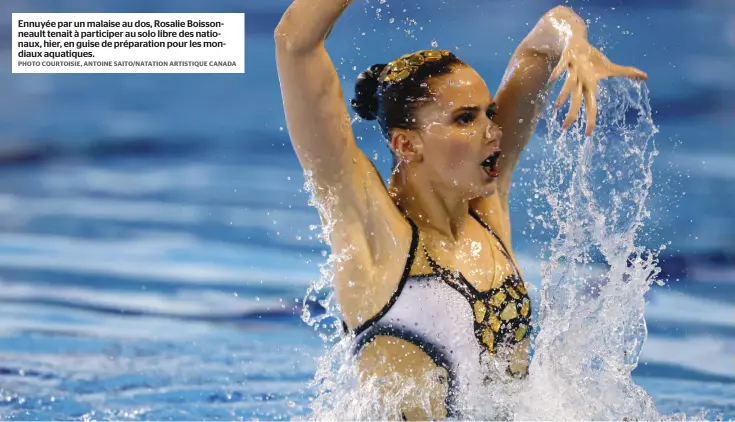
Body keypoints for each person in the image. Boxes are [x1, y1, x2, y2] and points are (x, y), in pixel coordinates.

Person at [275, 1, 647, 419]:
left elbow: (543, 41)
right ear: (406, 144)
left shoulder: (485, 211)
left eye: (488, 112)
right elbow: (295, 42)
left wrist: (574, 42)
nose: (492, 130)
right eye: (465, 119)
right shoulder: (371, 231)